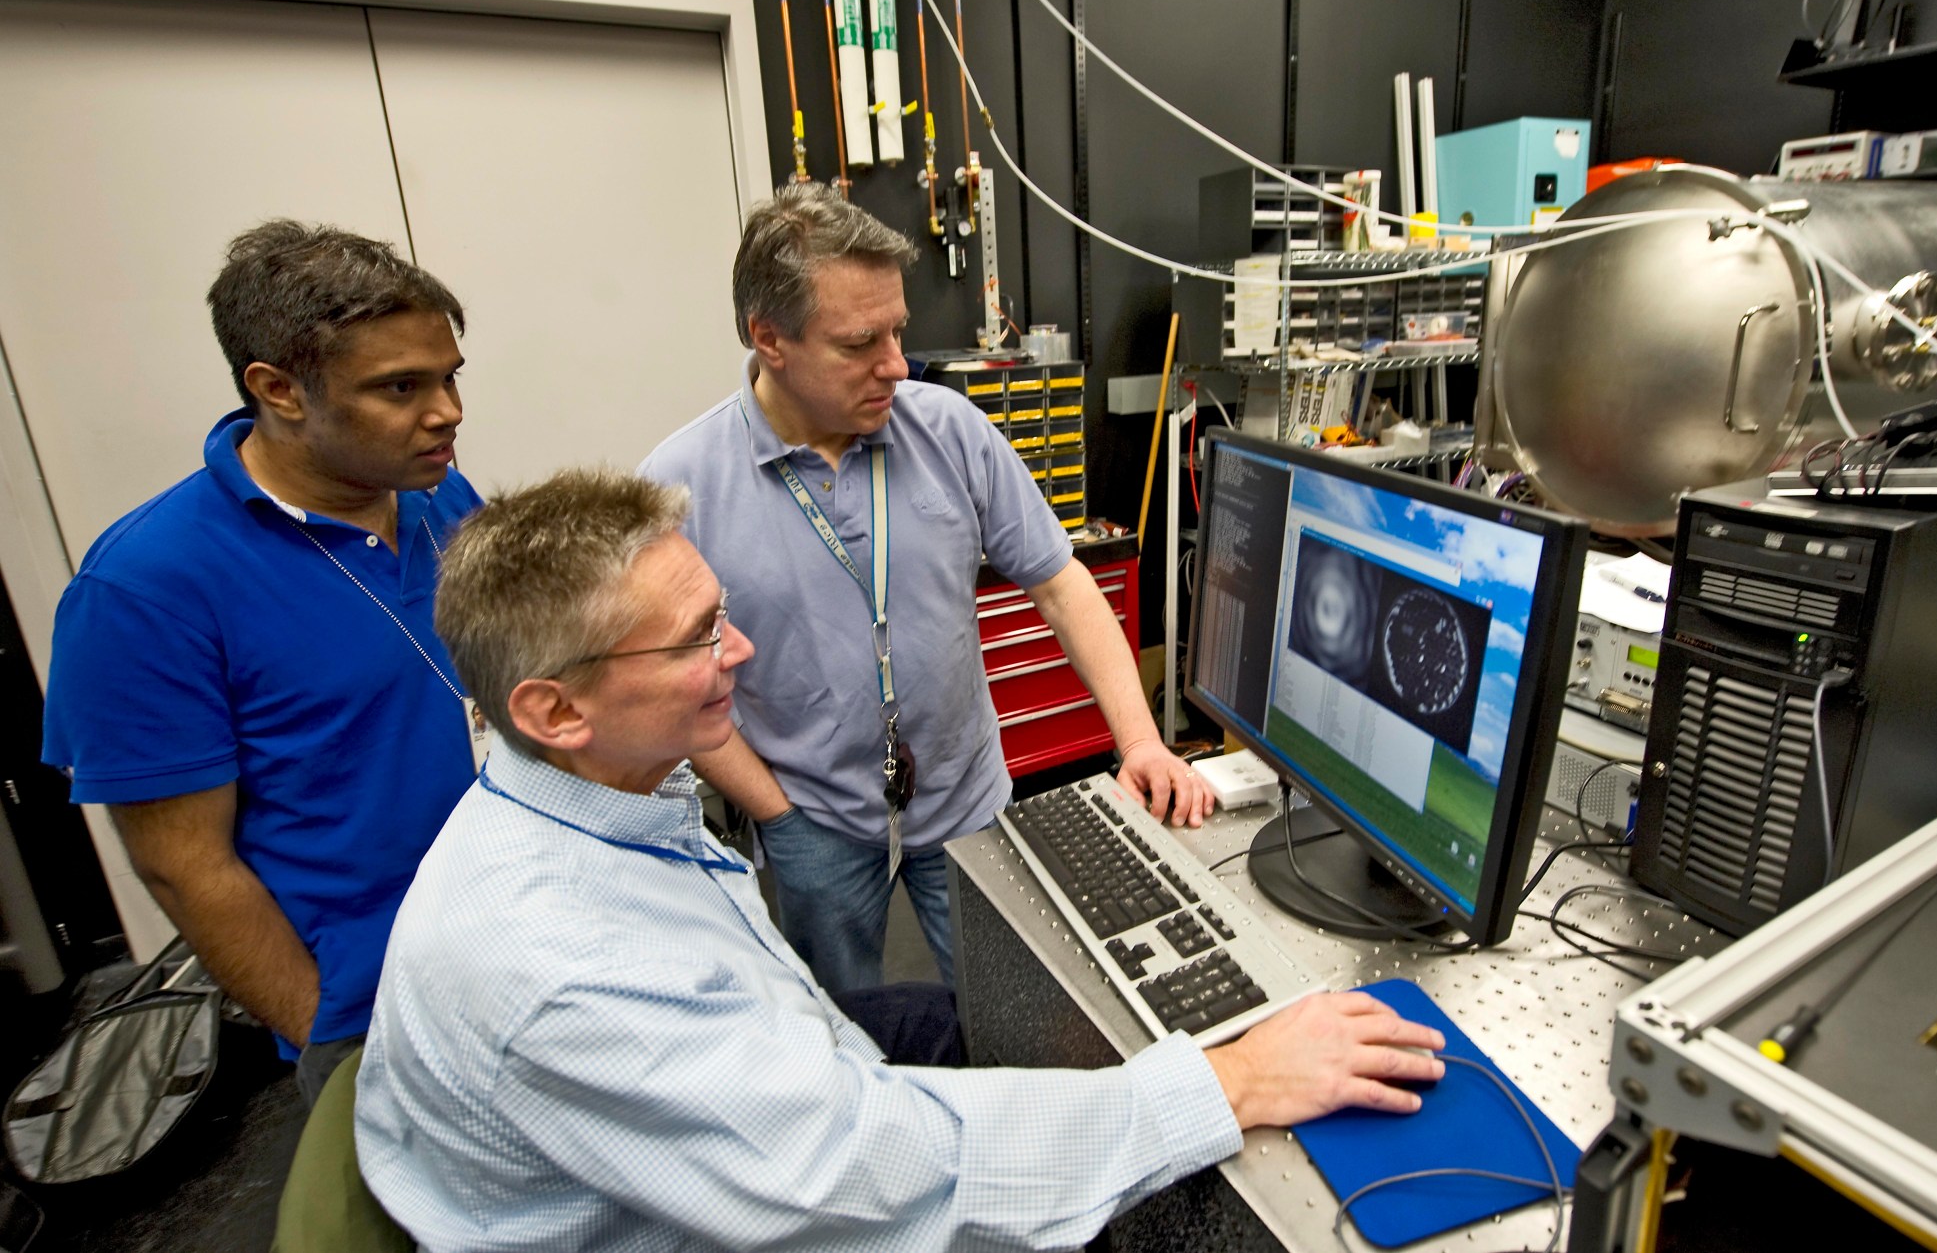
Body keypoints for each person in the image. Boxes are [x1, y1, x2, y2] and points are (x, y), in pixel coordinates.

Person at [356, 467, 1446, 1253]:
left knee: (1019, 1033)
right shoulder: (561, 970)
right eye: (695, 639)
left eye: (720, 615)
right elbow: (858, 1173)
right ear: (555, 709)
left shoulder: (596, 792)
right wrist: (1230, 1081)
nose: (738, 652)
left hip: (778, 1075)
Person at [640, 184, 1211, 997]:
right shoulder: (680, 486)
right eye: (859, 343)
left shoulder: (948, 429)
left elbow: (1064, 587)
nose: (897, 366)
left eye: (899, 330)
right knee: (846, 1036)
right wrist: (775, 814)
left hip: (969, 802)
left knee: (1008, 1006)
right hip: (813, 823)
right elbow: (665, 687)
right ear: (769, 338)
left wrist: (1143, 741)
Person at [42, 220, 481, 1106]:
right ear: (278, 389)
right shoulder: (144, 588)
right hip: (376, 1007)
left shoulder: (440, 497)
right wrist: (334, 1037)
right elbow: (185, 865)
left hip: (516, 944)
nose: (447, 413)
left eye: (449, 377)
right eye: (401, 387)